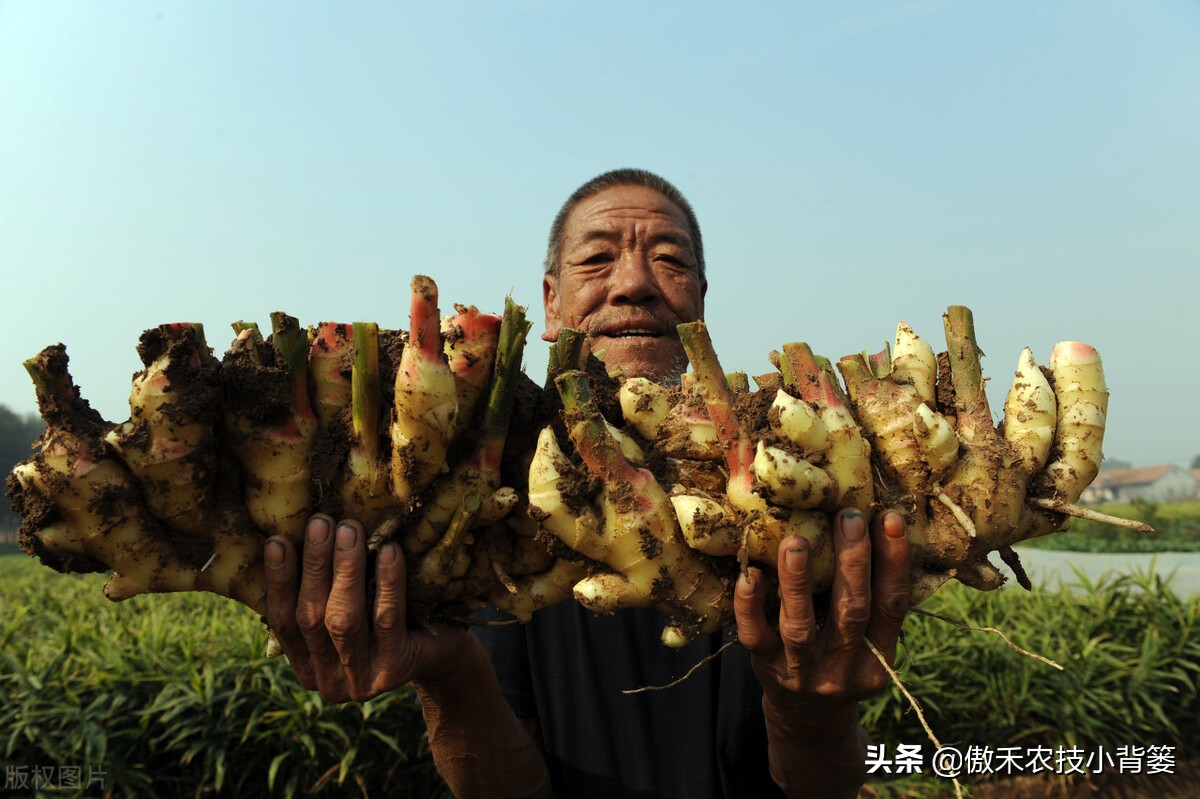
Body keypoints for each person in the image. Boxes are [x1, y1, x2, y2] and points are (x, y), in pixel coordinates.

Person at [262, 169, 911, 798]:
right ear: (549, 304)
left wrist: (811, 712)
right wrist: (448, 671)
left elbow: (821, 784)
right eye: (598, 259)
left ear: (700, 302)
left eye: (670, 261)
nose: (634, 283)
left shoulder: (789, 489)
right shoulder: (490, 504)